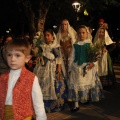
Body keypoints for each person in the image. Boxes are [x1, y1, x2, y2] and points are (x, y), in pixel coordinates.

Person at [0, 38, 47, 120]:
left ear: (27, 58)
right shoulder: (3, 77)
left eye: (17, 55)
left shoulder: (31, 78)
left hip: (24, 117)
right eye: (9, 55)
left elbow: (38, 103)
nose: (12, 59)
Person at [68, 25, 104, 112]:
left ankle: (85, 99)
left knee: (85, 85)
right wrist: (70, 68)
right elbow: (72, 57)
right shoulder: (75, 45)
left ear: (87, 34)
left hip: (86, 68)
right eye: (79, 33)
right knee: (76, 86)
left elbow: (96, 55)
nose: (81, 35)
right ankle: (76, 105)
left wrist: (93, 63)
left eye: (83, 33)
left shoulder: (89, 44)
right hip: (76, 68)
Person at [33, 29, 67, 113]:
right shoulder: (41, 45)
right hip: (41, 68)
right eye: (45, 35)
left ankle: (53, 106)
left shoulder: (55, 46)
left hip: (51, 68)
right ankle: (41, 106)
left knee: (54, 84)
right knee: (40, 85)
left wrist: (58, 68)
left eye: (48, 35)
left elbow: (58, 58)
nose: (46, 37)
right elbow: (38, 56)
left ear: (52, 36)